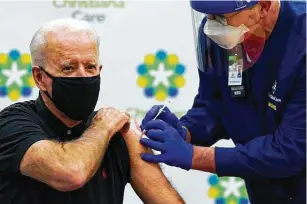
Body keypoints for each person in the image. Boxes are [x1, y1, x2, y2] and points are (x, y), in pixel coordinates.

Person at [0, 18, 185, 204]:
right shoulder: (12, 124)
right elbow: (71, 173)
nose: (82, 76)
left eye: (90, 67)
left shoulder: (121, 133)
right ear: (39, 77)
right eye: (68, 68)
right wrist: (103, 127)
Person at [139, 1, 306, 203]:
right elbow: (214, 104)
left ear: (263, 6)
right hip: (264, 188)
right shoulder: (221, 35)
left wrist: (193, 156)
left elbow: (290, 151)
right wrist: (187, 130)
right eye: (207, 16)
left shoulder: (301, 41)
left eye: (221, 18)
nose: (211, 26)